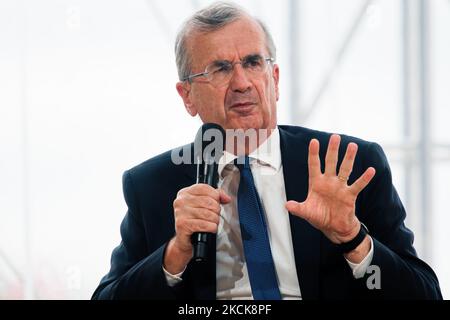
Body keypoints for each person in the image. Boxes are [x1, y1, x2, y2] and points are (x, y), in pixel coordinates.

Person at [92, 2, 442, 300]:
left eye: (253, 63)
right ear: (187, 97)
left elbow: (424, 293)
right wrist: (175, 254)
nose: (242, 83)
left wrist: (354, 239)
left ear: (274, 79)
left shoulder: (348, 165)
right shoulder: (152, 185)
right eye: (221, 69)